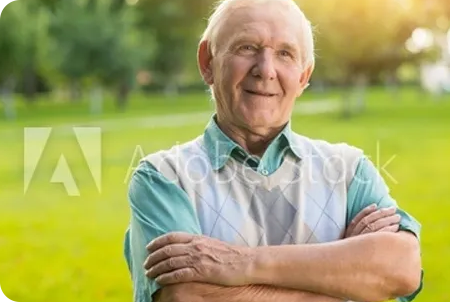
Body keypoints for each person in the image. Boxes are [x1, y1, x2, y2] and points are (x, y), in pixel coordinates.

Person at [123, 0, 424, 301]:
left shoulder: (350, 171)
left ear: (304, 75)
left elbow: (401, 269)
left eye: (285, 54)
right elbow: (187, 297)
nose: (266, 70)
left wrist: (241, 263)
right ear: (207, 62)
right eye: (247, 48)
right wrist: (346, 282)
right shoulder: (163, 178)